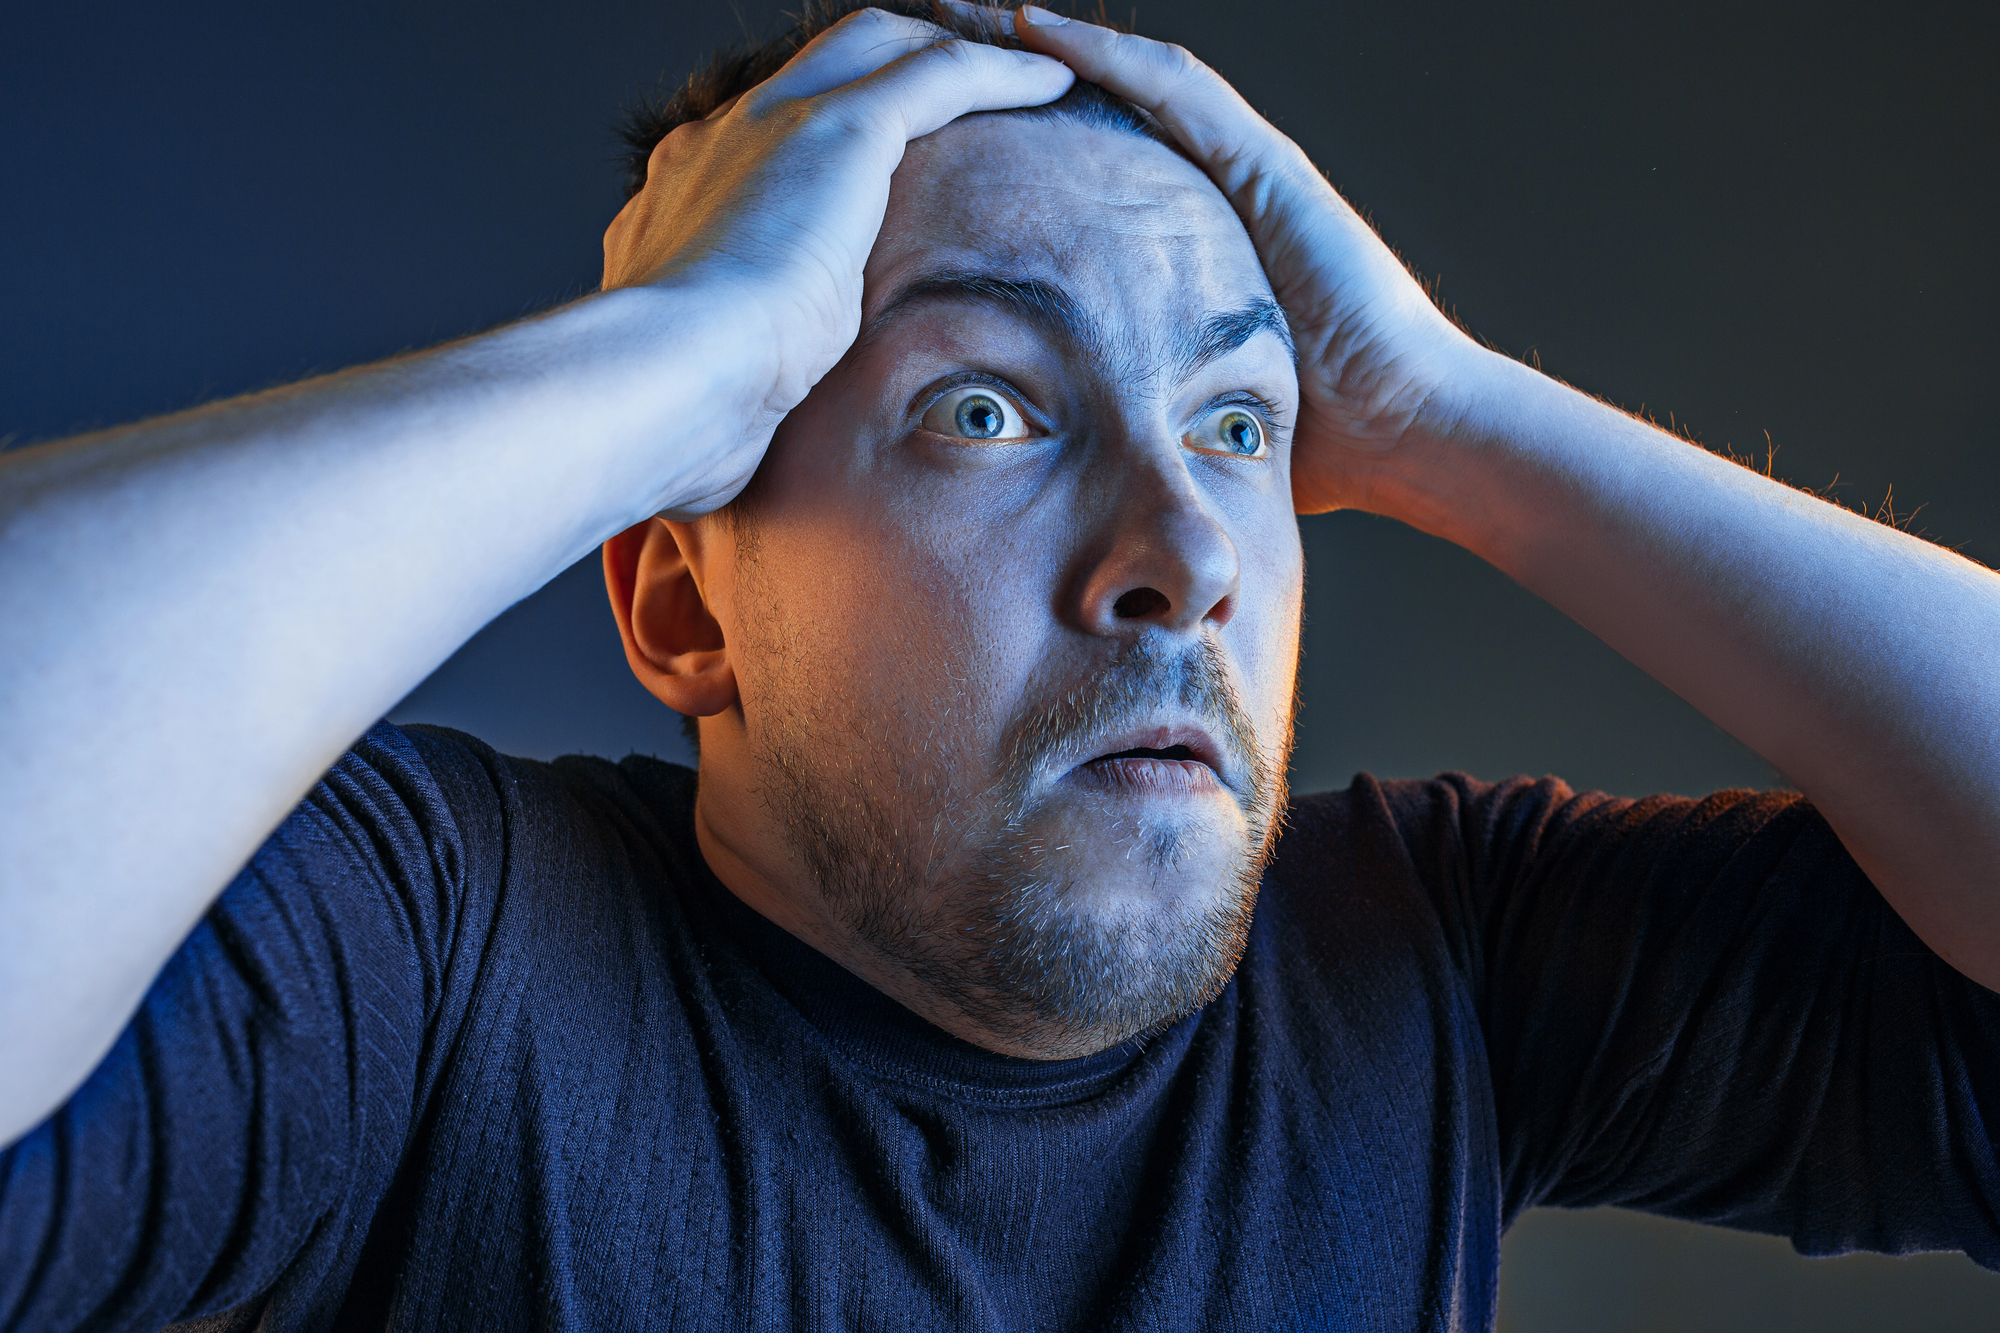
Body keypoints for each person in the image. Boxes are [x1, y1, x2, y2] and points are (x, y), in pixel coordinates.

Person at [1, 1, 1995, 1327]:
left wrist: (1444, 406)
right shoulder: (428, 963)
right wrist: (673, 360)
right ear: (685, 609)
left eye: (1236, 427)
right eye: (984, 413)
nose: (1187, 557)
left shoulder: (1427, 963)